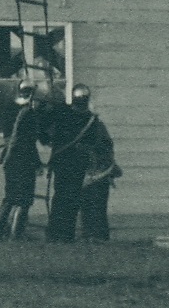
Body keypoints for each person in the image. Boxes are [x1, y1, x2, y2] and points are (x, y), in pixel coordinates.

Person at [49, 84, 121, 243]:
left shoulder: (64, 116)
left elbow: (49, 137)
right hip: (75, 165)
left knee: (65, 200)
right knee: (68, 200)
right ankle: (61, 237)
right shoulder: (88, 120)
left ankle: (61, 237)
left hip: (69, 165)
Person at [0, 82, 47, 239]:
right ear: (31, 95)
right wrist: (38, 164)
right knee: (24, 199)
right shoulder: (29, 114)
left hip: (9, 158)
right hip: (24, 159)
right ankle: (16, 235)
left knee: (10, 196)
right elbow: (29, 143)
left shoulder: (7, 109)